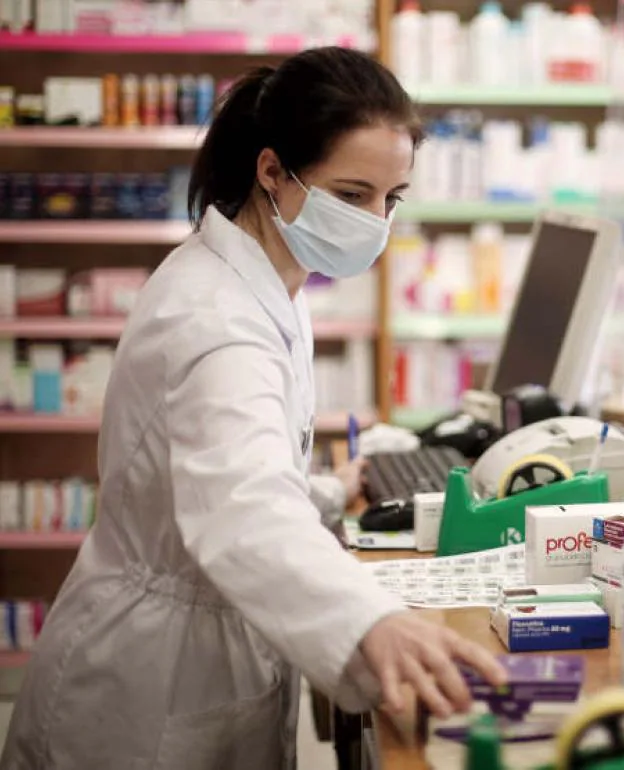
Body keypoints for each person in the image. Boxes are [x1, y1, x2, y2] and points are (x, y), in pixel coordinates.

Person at [0, 47, 506, 770]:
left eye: (391, 199)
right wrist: (371, 623)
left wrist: (329, 490)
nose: (374, 221)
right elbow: (241, 507)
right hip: (151, 686)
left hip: (196, 639)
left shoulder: (265, 279)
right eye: (352, 193)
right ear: (272, 171)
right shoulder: (216, 317)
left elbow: (227, 464)